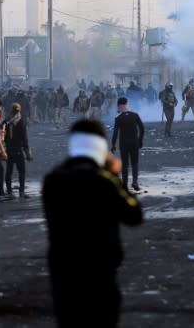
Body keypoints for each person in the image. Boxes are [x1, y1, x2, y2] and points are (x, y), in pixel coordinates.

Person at [42, 119, 143, 328]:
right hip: (99, 267)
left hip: (63, 268)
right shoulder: (104, 182)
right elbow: (134, 215)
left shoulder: (53, 180)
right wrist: (115, 176)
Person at [111, 97, 145, 192]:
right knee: (135, 163)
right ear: (127, 104)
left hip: (123, 144)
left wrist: (113, 145)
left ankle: (125, 184)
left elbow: (115, 133)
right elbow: (142, 128)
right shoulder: (135, 115)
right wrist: (140, 140)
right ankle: (135, 182)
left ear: (118, 106)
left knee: (125, 164)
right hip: (134, 143)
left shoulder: (118, 118)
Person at [4, 102, 33, 198]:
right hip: (18, 150)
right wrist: (28, 152)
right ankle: (21, 192)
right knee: (22, 171)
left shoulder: (7, 121)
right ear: (19, 111)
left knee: (9, 171)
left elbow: (2, 136)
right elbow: (24, 138)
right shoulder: (21, 122)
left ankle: (9, 192)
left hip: (9, 150)